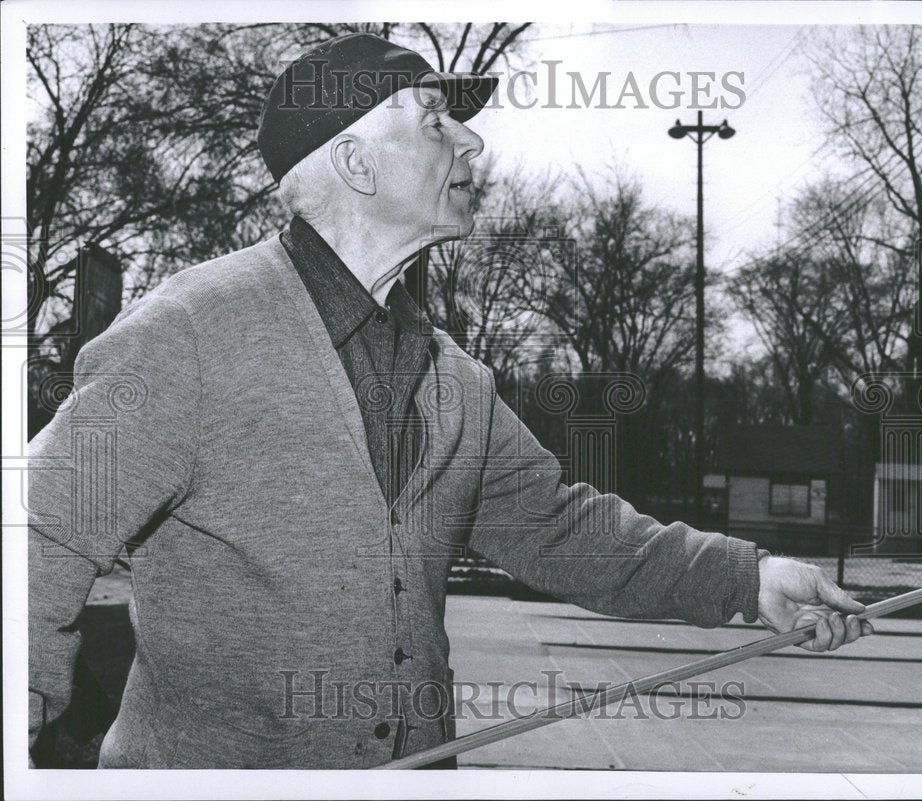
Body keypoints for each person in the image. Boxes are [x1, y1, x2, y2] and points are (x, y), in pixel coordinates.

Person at [27, 33, 872, 770]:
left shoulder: (456, 379)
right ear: (355, 162)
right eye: (435, 120)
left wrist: (749, 577)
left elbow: (564, 528)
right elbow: (39, 532)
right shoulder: (190, 331)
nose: (471, 140)